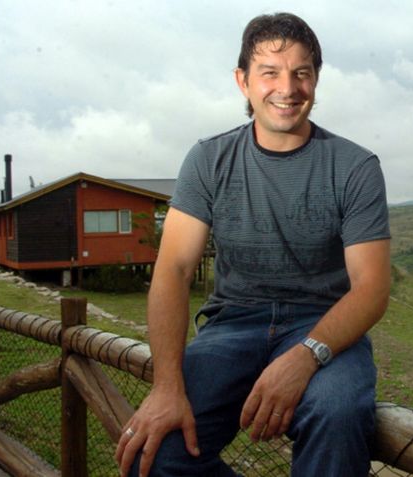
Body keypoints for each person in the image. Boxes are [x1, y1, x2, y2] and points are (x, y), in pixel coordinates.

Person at [115, 12, 391, 477]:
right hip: (232, 325)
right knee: (158, 453)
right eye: (270, 73)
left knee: (338, 414)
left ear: (316, 79)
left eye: (301, 72)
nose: (288, 88)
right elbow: (174, 270)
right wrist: (166, 388)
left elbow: (372, 288)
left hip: (322, 326)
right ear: (242, 81)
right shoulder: (208, 159)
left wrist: (305, 356)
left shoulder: (354, 167)